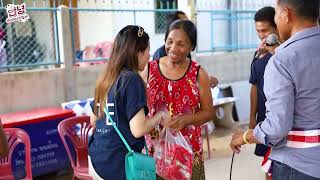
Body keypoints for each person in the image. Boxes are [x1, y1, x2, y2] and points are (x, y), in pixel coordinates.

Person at [230, 0, 320, 179]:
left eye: (277, 14)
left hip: (298, 166)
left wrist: (245, 136)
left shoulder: (282, 60)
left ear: (286, 14)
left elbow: (277, 129)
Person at [88, 25, 170, 180]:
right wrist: (160, 116)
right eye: (147, 50)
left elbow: (93, 121)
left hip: (97, 160)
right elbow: (138, 130)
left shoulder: (106, 77)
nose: (149, 55)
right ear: (137, 52)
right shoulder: (132, 80)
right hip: (120, 164)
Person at [141, 20, 215, 180]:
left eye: (181, 44)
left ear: (192, 47)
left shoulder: (198, 74)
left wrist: (187, 119)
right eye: (170, 41)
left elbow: (209, 113)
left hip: (188, 152)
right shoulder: (148, 70)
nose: (173, 48)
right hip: (155, 152)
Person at [152, 11, 219, 87]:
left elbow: (187, 79)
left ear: (191, 47)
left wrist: (203, 80)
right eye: (185, 22)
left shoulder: (185, 55)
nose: (188, 26)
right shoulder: (161, 55)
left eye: (180, 44)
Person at [249, 6, 278, 180]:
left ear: (276, 28)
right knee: (267, 167)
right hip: (263, 118)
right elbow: (254, 86)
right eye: (258, 31)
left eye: (264, 30)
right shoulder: (258, 55)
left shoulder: (284, 54)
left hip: (278, 120)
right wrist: (252, 117)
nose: (261, 35)